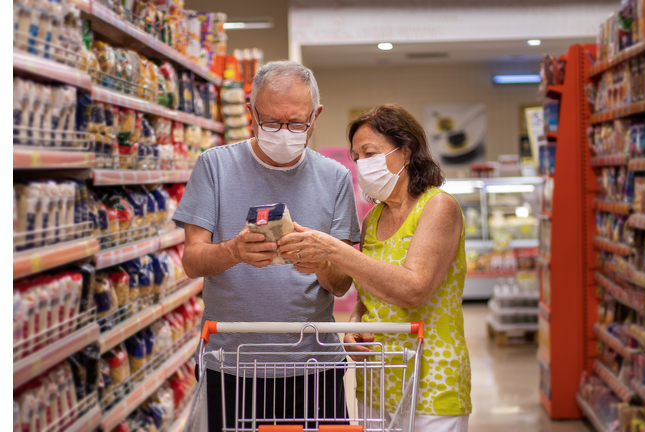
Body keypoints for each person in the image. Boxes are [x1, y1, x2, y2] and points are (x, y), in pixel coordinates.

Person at [173, 61, 361, 430]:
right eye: (271, 122)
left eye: (296, 123)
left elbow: (341, 284)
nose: (283, 132)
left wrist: (319, 261)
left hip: (312, 363)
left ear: (316, 115)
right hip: (231, 363)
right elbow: (192, 260)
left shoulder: (335, 177)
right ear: (251, 112)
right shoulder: (214, 166)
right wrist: (234, 251)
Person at [276, 104, 472, 431]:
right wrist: (354, 325)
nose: (363, 164)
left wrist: (335, 249)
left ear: (406, 151)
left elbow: (413, 289)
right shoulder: (373, 219)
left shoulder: (438, 207)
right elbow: (370, 296)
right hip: (376, 379)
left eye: (370, 153)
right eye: (357, 157)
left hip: (430, 378)